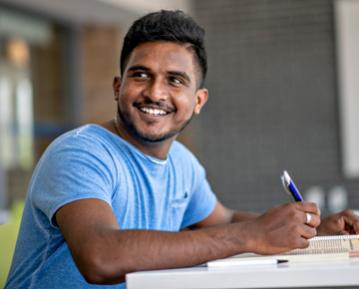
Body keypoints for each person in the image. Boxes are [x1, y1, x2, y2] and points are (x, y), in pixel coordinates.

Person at [5, 10, 359, 289]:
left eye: (175, 80)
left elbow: (223, 220)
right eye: (141, 75)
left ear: (198, 100)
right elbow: (101, 257)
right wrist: (252, 235)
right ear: (118, 86)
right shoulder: (80, 153)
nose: (155, 93)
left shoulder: (181, 164)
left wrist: (315, 231)